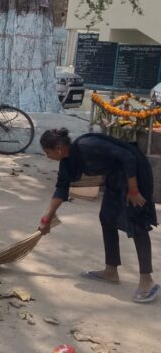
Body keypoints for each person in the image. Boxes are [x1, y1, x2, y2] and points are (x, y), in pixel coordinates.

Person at [38, 128, 159, 303]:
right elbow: (61, 188)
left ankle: (147, 282)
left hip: (135, 173)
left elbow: (128, 157)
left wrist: (133, 190)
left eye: (47, 152)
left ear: (58, 149)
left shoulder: (87, 145)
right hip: (116, 176)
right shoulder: (67, 160)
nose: (47, 156)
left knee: (137, 222)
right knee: (107, 218)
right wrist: (46, 219)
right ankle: (111, 271)